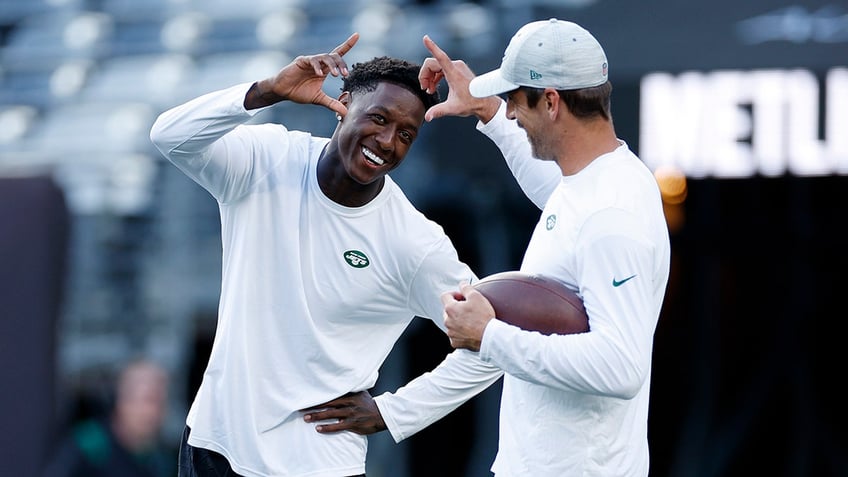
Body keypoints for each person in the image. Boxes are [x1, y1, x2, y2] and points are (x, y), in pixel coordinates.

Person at [307, 19, 671, 477]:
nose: (513, 113)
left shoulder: (610, 215)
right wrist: (487, 112)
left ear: (552, 101)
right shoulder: (600, 180)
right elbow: (560, 197)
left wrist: (491, 335)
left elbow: (620, 368)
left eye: (515, 102)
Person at [149, 33, 502, 477]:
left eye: (406, 134)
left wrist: (396, 413)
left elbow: (491, 343)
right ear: (344, 101)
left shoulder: (415, 241)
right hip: (212, 445)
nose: (388, 140)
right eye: (378, 118)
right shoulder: (269, 158)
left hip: (314, 465)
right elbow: (170, 136)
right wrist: (268, 91)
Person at [42, 358, 174, 477]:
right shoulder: (91, 444)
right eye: (148, 400)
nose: (153, 412)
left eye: (161, 403)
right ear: (122, 400)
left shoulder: (161, 460)